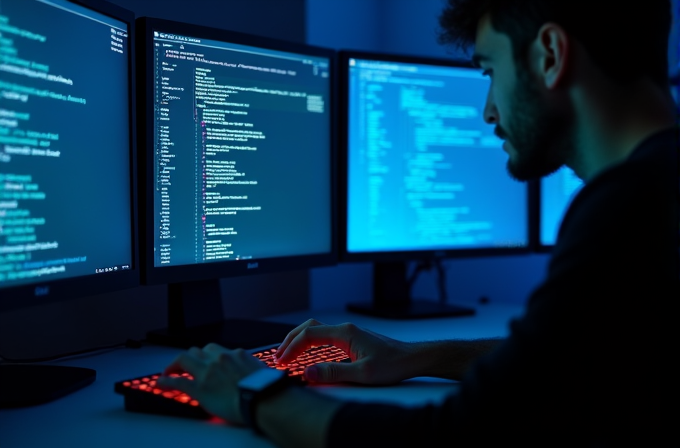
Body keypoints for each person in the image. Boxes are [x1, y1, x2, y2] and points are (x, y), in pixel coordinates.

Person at [157, 1, 680, 446]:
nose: (488, 112)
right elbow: (570, 361)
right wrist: (414, 356)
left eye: (490, 72)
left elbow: (453, 434)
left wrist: (256, 393)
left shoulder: (630, 206)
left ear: (550, 55)